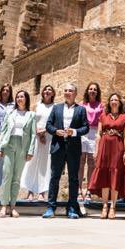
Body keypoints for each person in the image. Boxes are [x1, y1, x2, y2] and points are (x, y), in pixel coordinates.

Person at [43, 83, 89, 219]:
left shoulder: (81, 110)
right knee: (54, 177)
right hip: (58, 146)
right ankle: (51, 207)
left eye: (70, 91)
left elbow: (85, 128)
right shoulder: (56, 108)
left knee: (73, 179)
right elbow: (48, 125)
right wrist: (56, 131)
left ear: (75, 94)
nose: (67, 92)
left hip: (73, 148)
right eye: (66, 90)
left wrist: (74, 131)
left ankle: (72, 208)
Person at [89, 93, 125, 219]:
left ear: (119, 103)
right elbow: (98, 134)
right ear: (109, 102)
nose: (113, 102)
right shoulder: (103, 116)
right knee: (105, 176)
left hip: (118, 148)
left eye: (116, 100)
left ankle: (113, 206)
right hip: (104, 148)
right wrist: (96, 151)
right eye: (112, 100)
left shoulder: (124, 117)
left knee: (115, 175)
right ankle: (105, 206)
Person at [0, 89, 36, 217]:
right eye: (18, 97)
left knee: (17, 177)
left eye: (22, 97)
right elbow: (3, 131)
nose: (19, 99)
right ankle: (3, 206)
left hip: (22, 146)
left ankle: (12, 206)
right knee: (7, 174)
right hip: (9, 144)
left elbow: (33, 134)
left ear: (26, 99)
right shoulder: (10, 113)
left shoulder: (31, 115)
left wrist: (30, 151)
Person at [21, 84, 56, 201]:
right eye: (45, 89)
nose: (47, 91)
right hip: (36, 136)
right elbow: (32, 120)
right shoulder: (37, 105)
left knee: (45, 164)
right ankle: (30, 191)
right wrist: (38, 132)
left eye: (50, 90)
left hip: (49, 137)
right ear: (42, 92)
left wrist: (45, 131)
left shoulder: (55, 107)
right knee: (32, 162)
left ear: (53, 93)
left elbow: (55, 122)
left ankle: (42, 192)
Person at [80, 82, 103, 205]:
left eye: (95, 89)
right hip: (83, 132)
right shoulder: (81, 104)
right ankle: (79, 190)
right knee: (81, 161)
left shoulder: (101, 106)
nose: (92, 91)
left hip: (94, 133)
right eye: (90, 89)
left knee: (91, 162)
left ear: (97, 92)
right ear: (87, 91)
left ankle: (89, 190)